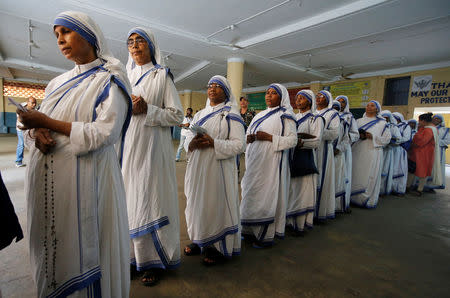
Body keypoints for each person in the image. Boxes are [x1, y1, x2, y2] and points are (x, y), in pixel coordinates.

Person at [17, 11, 132, 297]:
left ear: (89, 35)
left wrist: (45, 123)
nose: (60, 40)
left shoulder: (111, 78)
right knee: (54, 248)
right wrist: (36, 133)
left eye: (66, 32)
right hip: (50, 185)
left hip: (90, 183)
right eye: (56, 36)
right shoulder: (57, 83)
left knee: (88, 248)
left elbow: (105, 133)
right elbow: (39, 121)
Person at [122, 27, 183, 286]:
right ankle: (133, 259)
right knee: (129, 202)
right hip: (127, 148)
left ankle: (154, 261)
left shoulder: (162, 76)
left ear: (151, 46)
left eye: (140, 42)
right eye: (131, 42)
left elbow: (177, 115)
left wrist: (149, 109)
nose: (135, 46)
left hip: (152, 149)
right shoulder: (123, 77)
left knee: (150, 200)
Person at [183, 75, 245, 265]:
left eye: (217, 86)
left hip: (217, 168)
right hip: (197, 167)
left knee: (213, 204)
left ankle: (217, 246)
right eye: (210, 85)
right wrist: (192, 143)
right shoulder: (201, 114)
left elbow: (239, 145)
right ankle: (199, 239)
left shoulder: (231, 114)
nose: (212, 89)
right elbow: (187, 139)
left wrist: (213, 143)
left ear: (225, 92)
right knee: (196, 203)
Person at [241, 83, 297, 247]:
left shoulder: (286, 116)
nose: (268, 96)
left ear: (281, 97)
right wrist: (249, 138)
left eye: (273, 93)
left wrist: (269, 138)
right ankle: (249, 230)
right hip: (255, 162)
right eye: (267, 93)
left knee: (267, 197)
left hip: (272, 164)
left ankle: (265, 236)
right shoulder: (260, 115)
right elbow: (248, 133)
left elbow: (292, 140)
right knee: (251, 193)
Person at [287, 90, 323, 235]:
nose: (298, 101)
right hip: (292, 157)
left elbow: (317, 141)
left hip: (305, 158)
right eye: (297, 98)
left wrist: (300, 142)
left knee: (303, 191)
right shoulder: (294, 117)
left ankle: (301, 225)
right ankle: (289, 222)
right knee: (291, 190)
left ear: (309, 101)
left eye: (302, 98)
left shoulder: (316, 119)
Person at [351, 100, 391, 208]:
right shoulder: (358, 121)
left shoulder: (382, 123)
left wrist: (372, 136)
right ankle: (352, 198)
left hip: (372, 151)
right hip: (357, 150)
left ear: (377, 109)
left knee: (369, 174)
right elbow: (352, 135)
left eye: (372, 105)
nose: (369, 107)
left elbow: (387, 139)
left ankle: (366, 199)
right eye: (368, 105)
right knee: (355, 172)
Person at [314, 90, 339, 221]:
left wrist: (316, 134)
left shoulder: (332, 114)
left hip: (323, 149)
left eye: (321, 96)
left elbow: (334, 133)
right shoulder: (312, 113)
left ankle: (320, 211)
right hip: (310, 149)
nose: (318, 98)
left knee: (321, 178)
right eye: (317, 96)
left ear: (328, 99)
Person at [407, 113, 441, 196]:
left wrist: (413, 143)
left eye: (420, 121)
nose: (419, 123)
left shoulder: (429, 130)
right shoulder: (427, 128)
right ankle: (408, 186)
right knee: (412, 170)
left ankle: (419, 189)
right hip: (418, 153)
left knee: (423, 172)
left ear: (424, 121)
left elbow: (422, 141)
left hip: (424, 154)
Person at [336, 95, 359, 212]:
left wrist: (344, 138)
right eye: (338, 101)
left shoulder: (350, 117)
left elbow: (356, 134)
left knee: (343, 175)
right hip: (330, 148)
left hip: (343, 149)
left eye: (343, 102)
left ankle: (343, 204)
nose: (340, 103)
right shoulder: (331, 115)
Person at [331, 100, 348, 213]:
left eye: (337, 109)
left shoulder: (343, 122)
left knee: (336, 181)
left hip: (337, 155)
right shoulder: (322, 120)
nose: (334, 111)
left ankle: (334, 206)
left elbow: (346, 139)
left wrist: (339, 148)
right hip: (324, 155)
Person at [379, 110, 400, 196]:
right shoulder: (379, 125)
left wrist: (391, 140)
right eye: (383, 117)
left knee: (385, 170)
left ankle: (383, 189)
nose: (385, 119)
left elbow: (399, 139)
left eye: (386, 118)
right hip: (379, 150)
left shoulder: (393, 127)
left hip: (388, 151)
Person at [391, 112, 411, 195]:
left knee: (399, 168)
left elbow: (406, 138)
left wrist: (396, 140)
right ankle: (390, 187)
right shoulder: (391, 125)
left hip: (400, 150)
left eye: (396, 118)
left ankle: (399, 188)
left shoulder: (406, 126)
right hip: (391, 149)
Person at [428, 114, 450, 190]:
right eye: (434, 118)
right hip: (428, 150)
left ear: (441, 120)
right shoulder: (429, 128)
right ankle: (423, 185)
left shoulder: (445, 130)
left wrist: (437, 143)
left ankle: (433, 186)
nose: (436, 120)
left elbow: (447, 140)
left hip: (439, 151)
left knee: (437, 167)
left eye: (438, 119)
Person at [15, 97, 37, 167]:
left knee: (33, 144)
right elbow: (20, 120)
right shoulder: (21, 108)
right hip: (21, 128)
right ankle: (18, 161)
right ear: (27, 102)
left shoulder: (35, 109)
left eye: (35, 103)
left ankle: (34, 161)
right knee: (21, 144)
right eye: (32, 103)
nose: (34, 105)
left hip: (29, 128)